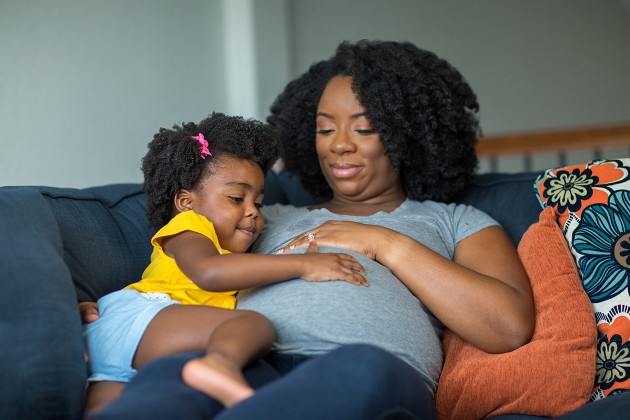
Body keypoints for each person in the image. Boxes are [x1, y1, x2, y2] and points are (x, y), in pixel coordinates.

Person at [82, 40, 535, 419]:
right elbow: (188, 273)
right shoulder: (258, 215)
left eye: (365, 128)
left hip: (368, 370)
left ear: (407, 135)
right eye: (324, 129)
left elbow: (507, 327)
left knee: (362, 368)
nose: (339, 144)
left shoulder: (454, 221)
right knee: (170, 378)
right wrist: (113, 311)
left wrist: (384, 243)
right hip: (243, 360)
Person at [82, 112, 368, 415]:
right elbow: (209, 273)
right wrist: (303, 265)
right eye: (235, 198)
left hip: (123, 352)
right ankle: (220, 364)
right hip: (144, 316)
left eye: (257, 203)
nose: (253, 212)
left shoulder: (228, 250)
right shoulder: (189, 228)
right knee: (251, 325)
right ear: (186, 202)